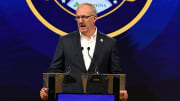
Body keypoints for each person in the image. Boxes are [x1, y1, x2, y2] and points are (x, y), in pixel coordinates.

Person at [40, 3, 128, 101]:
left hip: (100, 97)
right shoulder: (65, 41)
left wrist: (121, 90)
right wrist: (47, 89)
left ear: (94, 18)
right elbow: (55, 70)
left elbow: (115, 73)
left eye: (84, 17)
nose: (80, 21)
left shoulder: (109, 43)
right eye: (78, 17)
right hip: (70, 97)